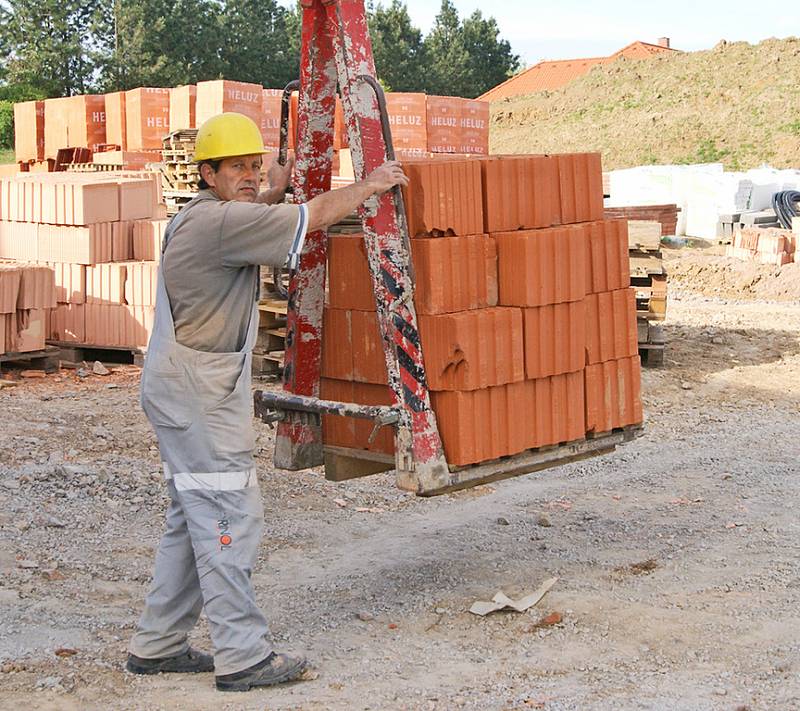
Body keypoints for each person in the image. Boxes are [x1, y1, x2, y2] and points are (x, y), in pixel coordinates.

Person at [126, 112, 409, 692]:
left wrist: (272, 181)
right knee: (230, 515)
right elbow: (309, 219)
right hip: (199, 395)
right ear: (207, 173)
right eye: (238, 168)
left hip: (187, 386)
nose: (251, 176)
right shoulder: (222, 226)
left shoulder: (200, 217)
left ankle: (157, 644)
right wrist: (370, 184)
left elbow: (259, 209)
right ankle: (243, 657)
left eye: (256, 166)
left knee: (194, 514)